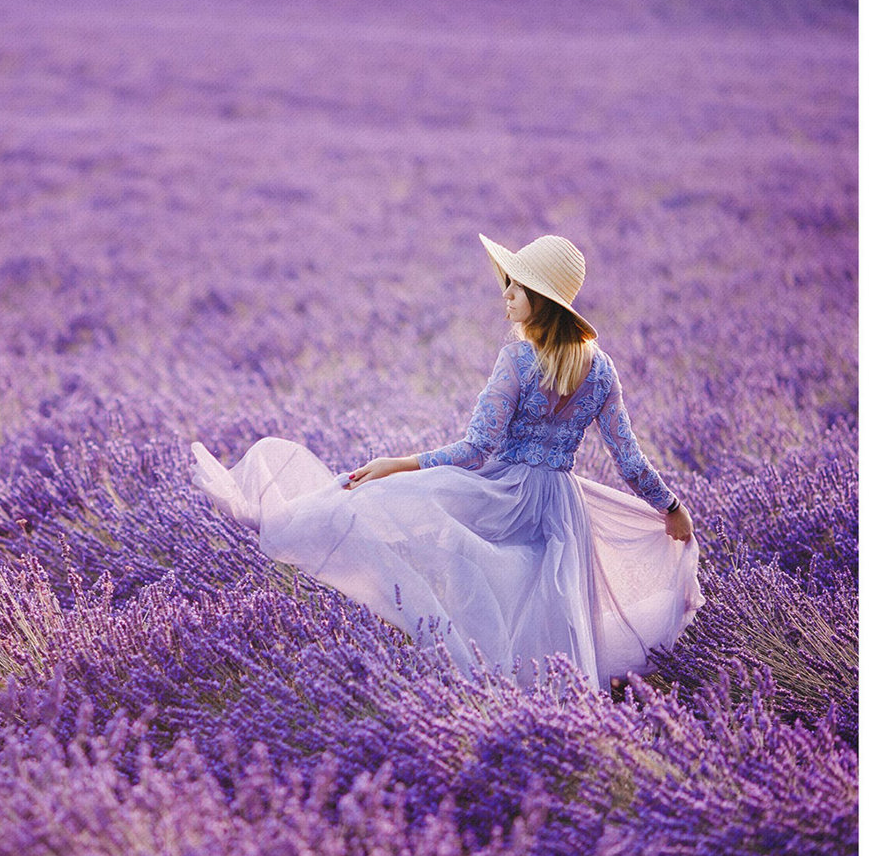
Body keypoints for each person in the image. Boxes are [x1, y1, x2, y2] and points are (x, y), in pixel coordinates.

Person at [190, 233, 703, 691]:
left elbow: (476, 450)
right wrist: (671, 507)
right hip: (563, 509)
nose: (505, 296)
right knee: (547, 609)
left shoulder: (518, 360)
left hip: (506, 495)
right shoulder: (601, 370)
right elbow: (629, 459)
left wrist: (398, 463)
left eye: (515, 288)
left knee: (396, 522)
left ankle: (277, 517)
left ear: (540, 300)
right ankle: (550, 707)